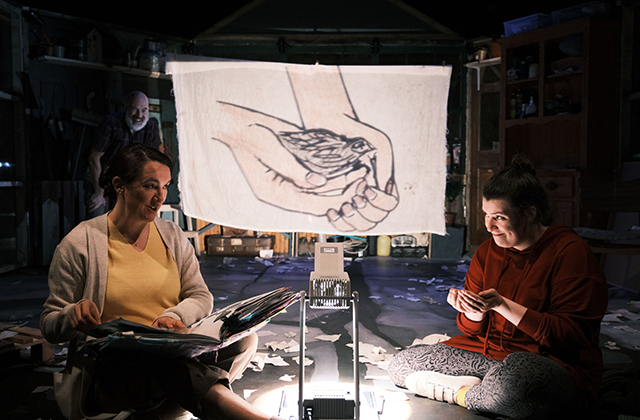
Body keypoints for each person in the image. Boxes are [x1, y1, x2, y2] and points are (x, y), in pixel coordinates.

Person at [41, 143, 275, 420]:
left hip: (171, 350)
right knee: (164, 366)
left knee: (244, 341)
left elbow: (200, 294)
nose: (160, 197)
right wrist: (71, 316)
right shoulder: (81, 243)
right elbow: (49, 324)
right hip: (112, 367)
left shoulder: (171, 235)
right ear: (120, 185)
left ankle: (160, 414)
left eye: (165, 186)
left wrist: (174, 316)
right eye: (151, 186)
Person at [388, 156, 608, 420]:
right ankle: (483, 392)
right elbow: (470, 331)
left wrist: (504, 305)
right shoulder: (487, 252)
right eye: (486, 215)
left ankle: (462, 394)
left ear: (529, 213)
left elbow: (570, 339)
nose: (489, 226)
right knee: (401, 365)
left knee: (518, 382)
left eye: (500, 217)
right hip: (489, 357)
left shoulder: (569, 253)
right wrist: (473, 311)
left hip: (548, 364)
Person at [86, 91, 164, 218]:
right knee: (97, 214)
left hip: (129, 180)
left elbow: (157, 161)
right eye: (135, 109)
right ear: (126, 107)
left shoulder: (151, 127)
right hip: (101, 175)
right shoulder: (111, 123)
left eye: (144, 110)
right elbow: (95, 157)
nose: (139, 115)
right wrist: (98, 192)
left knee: (133, 218)